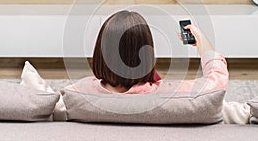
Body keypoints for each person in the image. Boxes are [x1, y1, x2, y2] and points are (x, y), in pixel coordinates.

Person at [66, 10, 228, 95]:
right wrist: (204, 44)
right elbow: (215, 85)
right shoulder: (169, 94)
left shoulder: (78, 92)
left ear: (100, 53)